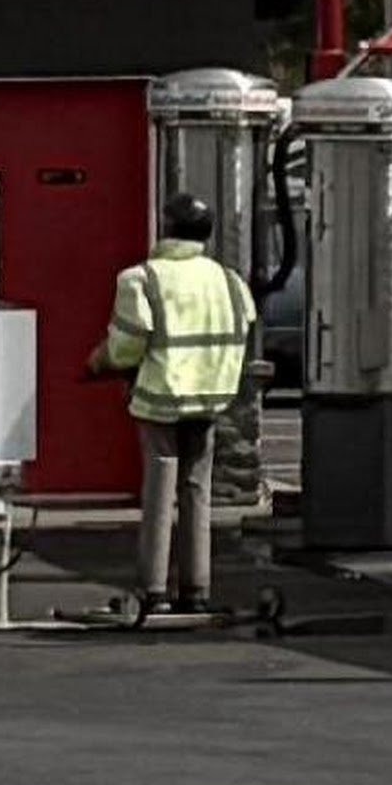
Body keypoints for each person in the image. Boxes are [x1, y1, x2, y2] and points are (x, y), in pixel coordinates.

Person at [87, 191, 256, 615]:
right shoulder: (229, 279)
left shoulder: (141, 279)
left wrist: (99, 361)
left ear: (165, 229)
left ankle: (153, 589)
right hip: (212, 395)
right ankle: (197, 589)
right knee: (198, 489)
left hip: (161, 394)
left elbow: (127, 346)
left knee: (160, 488)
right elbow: (246, 323)